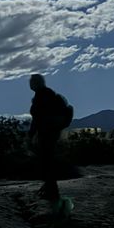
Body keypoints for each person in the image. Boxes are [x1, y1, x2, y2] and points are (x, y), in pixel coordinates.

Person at [28, 73, 69, 201]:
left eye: (31, 81)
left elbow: (37, 118)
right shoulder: (49, 94)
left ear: (36, 83)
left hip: (46, 132)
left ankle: (51, 190)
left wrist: (30, 134)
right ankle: (50, 187)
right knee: (48, 159)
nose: (30, 83)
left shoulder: (41, 97)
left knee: (46, 160)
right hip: (53, 132)